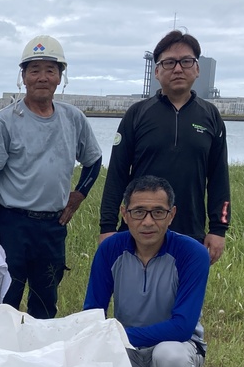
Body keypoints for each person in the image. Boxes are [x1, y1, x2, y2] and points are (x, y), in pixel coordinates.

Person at [84, 175, 210, 367]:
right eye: (139, 211)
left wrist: (117, 335)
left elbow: (181, 327)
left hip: (178, 346)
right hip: (127, 347)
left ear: (172, 215)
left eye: (158, 212)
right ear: (125, 214)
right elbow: (93, 314)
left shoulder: (192, 254)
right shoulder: (110, 249)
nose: (148, 221)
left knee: (171, 356)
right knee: (99, 360)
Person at [0, 35, 102, 319]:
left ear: (60, 76)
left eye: (50, 70)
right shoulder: (4, 121)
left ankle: (40, 358)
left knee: (45, 303)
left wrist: (79, 195)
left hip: (52, 227)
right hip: (11, 226)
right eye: (34, 70)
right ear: (23, 76)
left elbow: (94, 162)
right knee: (3, 303)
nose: (42, 77)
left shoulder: (73, 119)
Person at [99, 30, 231, 265]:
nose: (178, 69)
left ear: (197, 69)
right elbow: (117, 174)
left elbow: (219, 178)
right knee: (133, 297)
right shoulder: (137, 114)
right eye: (169, 63)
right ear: (157, 72)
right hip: (139, 229)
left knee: (183, 298)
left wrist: (219, 229)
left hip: (190, 231)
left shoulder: (210, 116)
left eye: (186, 61)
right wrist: (107, 227)